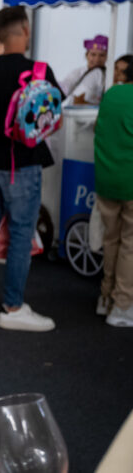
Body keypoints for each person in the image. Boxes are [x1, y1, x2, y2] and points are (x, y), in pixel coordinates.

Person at [0, 5, 62, 332]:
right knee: (21, 233)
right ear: (24, 30)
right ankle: (13, 306)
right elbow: (53, 115)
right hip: (23, 166)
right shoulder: (38, 70)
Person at [95, 70, 133, 326]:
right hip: (130, 181)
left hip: (106, 179)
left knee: (110, 240)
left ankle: (105, 298)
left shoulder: (111, 94)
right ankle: (122, 306)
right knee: (130, 244)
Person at [60, 34, 108, 105]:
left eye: (102, 55)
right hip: (72, 111)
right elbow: (64, 88)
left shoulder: (109, 75)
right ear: (87, 55)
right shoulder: (77, 72)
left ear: (107, 57)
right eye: (93, 54)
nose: (97, 59)